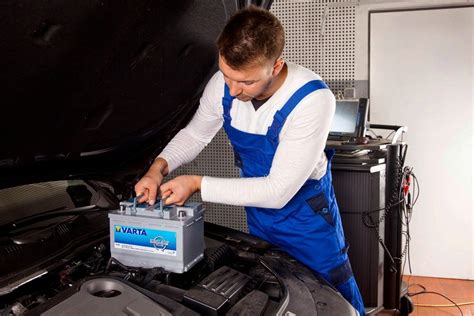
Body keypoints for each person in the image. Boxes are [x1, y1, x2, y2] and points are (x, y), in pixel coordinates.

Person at [135, 5, 365, 315]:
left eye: (245, 82)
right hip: (259, 214)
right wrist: (156, 169)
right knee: (275, 294)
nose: (232, 89)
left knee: (330, 299)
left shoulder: (312, 100)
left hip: (306, 219)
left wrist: (196, 183)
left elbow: (278, 191)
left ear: (276, 65)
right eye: (226, 74)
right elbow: (195, 136)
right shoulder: (224, 84)